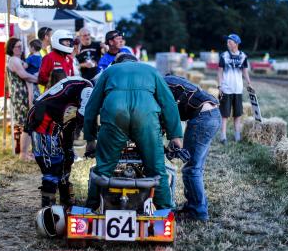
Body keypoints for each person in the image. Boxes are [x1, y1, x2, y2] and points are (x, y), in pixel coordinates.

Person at [83, 53, 183, 210]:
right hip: (146, 116)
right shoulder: (151, 71)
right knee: (157, 169)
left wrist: (90, 139)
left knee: (103, 168)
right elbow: (168, 103)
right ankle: (165, 210)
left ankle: (90, 208)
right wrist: (175, 135)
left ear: (116, 63)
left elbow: (91, 107)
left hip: (115, 113)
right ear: (136, 62)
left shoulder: (109, 71)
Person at [25, 69, 93, 207]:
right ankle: (48, 206)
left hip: (57, 122)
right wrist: (91, 141)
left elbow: (73, 122)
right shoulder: (87, 88)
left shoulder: (82, 88)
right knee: (51, 165)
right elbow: (83, 117)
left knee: (66, 158)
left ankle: (65, 199)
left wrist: (69, 147)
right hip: (43, 120)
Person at [164, 75, 221, 221]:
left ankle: (198, 212)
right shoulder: (169, 82)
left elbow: (167, 114)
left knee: (191, 168)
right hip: (212, 114)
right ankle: (196, 205)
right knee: (196, 167)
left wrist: (173, 141)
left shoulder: (160, 87)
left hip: (203, 117)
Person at [6, 37, 38, 161]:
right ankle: (23, 154)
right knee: (27, 124)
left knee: (28, 124)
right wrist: (39, 79)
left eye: (21, 46)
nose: (20, 49)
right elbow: (24, 75)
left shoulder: (17, 59)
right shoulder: (14, 60)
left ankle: (25, 152)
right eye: (17, 47)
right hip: (21, 96)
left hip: (22, 95)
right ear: (11, 48)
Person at [217, 33, 251, 144]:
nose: (227, 44)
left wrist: (249, 83)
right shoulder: (224, 56)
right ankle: (223, 137)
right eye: (227, 42)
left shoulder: (243, 56)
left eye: (230, 42)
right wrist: (220, 86)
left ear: (236, 44)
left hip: (238, 89)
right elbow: (220, 71)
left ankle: (237, 136)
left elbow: (245, 71)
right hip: (226, 89)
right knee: (224, 114)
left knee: (238, 114)